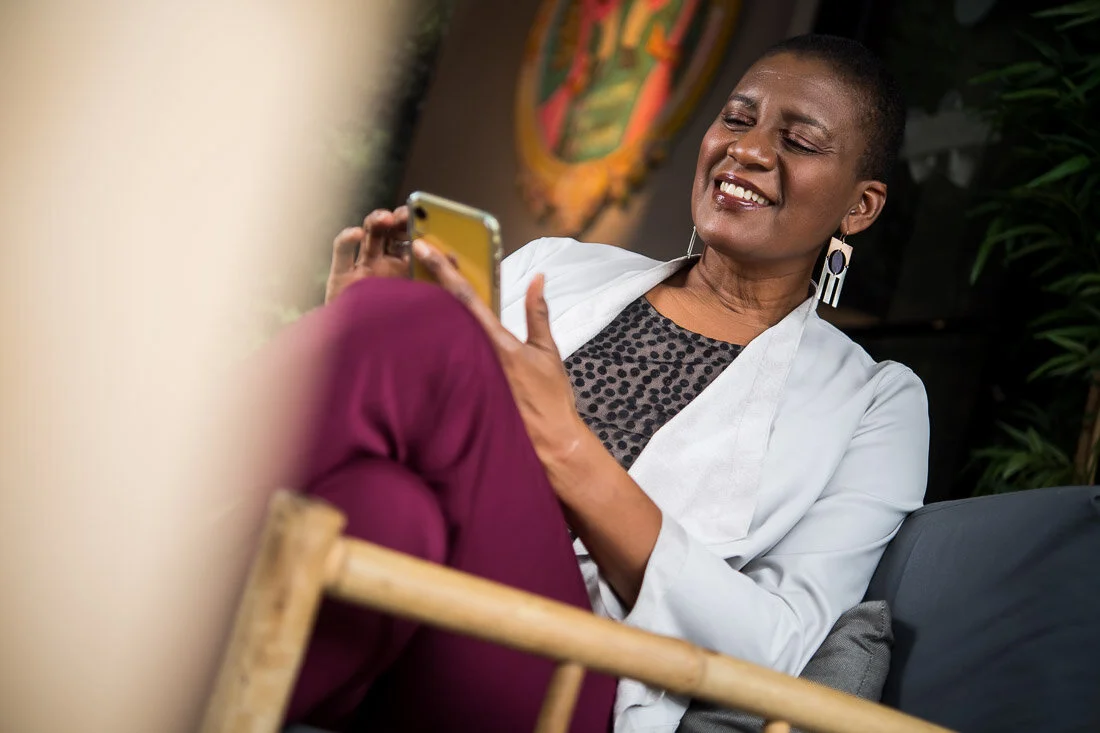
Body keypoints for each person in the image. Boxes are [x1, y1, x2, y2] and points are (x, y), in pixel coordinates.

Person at [279, 34, 927, 733]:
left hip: (571, 672)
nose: (749, 148)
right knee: (382, 506)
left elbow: (779, 647)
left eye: (798, 140)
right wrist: (352, 326)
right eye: (738, 119)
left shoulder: (877, 402)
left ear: (859, 206)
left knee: (412, 322)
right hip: (424, 591)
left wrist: (566, 448)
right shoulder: (554, 265)